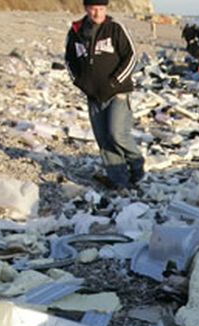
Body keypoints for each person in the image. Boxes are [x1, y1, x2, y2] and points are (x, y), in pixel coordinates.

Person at [64, 0, 144, 189]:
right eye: (93, 8)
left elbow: (131, 57)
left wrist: (115, 81)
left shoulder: (115, 28)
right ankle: (119, 180)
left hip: (118, 93)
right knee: (103, 138)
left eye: (101, 9)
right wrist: (80, 83)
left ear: (106, 9)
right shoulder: (76, 32)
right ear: (86, 9)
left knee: (117, 133)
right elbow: (69, 61)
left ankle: (137, 163)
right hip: (94, 96)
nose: (97, 13)